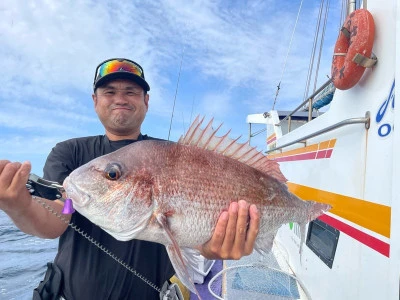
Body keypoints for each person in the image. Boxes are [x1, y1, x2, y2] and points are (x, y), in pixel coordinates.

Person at [0, 58, 260, 299]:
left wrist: (210, 248)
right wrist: (20, 205)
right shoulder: (70, 153)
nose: (120, 99)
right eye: (110, 92)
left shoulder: (178, 155)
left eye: (131, 92)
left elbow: (196, 232)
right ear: (95, 100)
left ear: (146, 101)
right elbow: (62, 211)